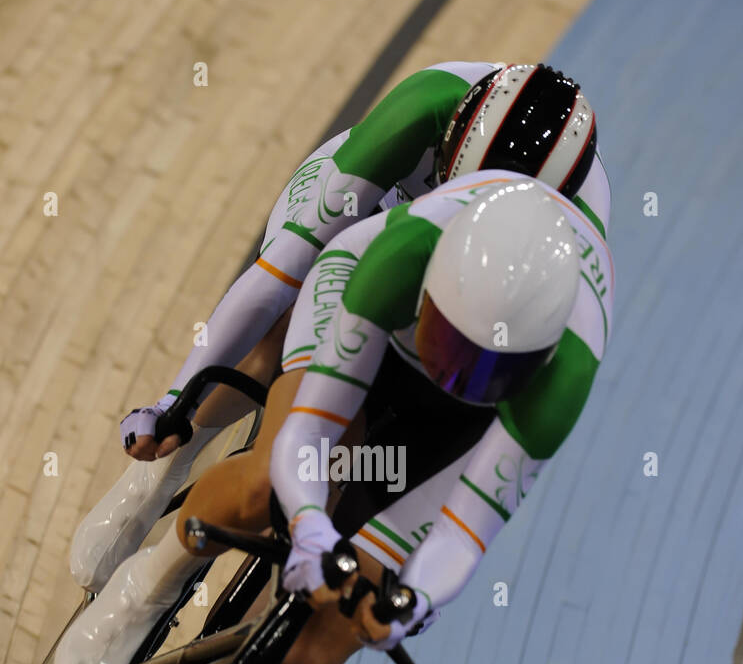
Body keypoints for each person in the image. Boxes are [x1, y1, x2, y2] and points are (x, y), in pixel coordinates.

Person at [55, 171, 614, 664]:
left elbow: (464, 530)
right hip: (375, 329)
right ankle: (145, 587)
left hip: (460, 425)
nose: (454, 372)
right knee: (273, 483)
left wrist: (413, 600)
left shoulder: (564, 374)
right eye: (451, 346)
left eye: (480, 366)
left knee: (324, 646)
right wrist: (313, 525)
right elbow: (304, 442)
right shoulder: (393, 257)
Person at [71, 61, 609, 592]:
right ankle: (167, 464)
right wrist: (170, 403)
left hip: (466, 297)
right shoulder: (426, 105)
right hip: (372, 224)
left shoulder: (571, 246)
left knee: (338, 545)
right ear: (451, 140)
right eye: (453, 184)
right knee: (283, 327)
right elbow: (274, 277)